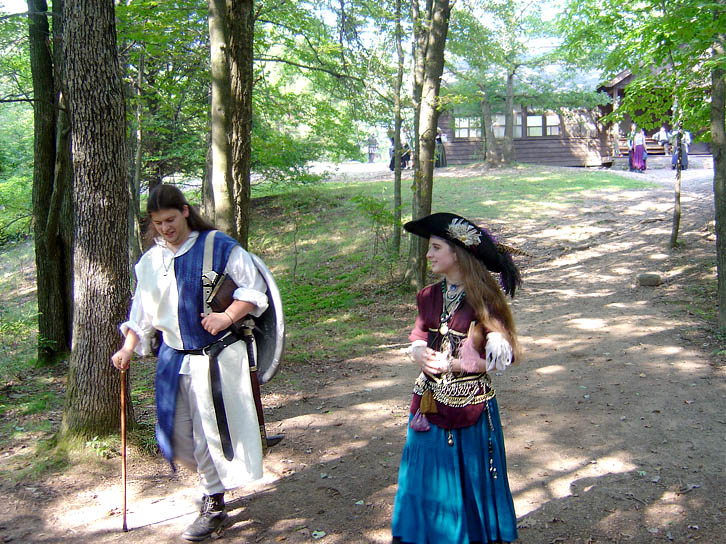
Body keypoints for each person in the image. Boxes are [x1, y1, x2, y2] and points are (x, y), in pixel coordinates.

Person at [111, 184, 269, 541]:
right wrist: (127, 347)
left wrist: (227, 316)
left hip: (216, 357)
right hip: (172, 359)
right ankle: (211, 487)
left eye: (170, 219)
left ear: (185, 211)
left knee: (208, 434)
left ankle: (213, 502)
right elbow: (143, 311)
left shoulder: (216, 246)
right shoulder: (151, 261)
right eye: (157, 222)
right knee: (175, 437)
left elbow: (254, 289)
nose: (165, 228)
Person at [392, 212, 521, 544]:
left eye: (436, 247)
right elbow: (418, 336)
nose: (428, 255)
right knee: (427, 472)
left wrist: (490, 345)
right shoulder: (427, 296)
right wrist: (418, 353)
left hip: (471, 405)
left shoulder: (485, 300)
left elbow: (501, 354)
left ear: (458, 253)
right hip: (428, 401)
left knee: (469, 474)